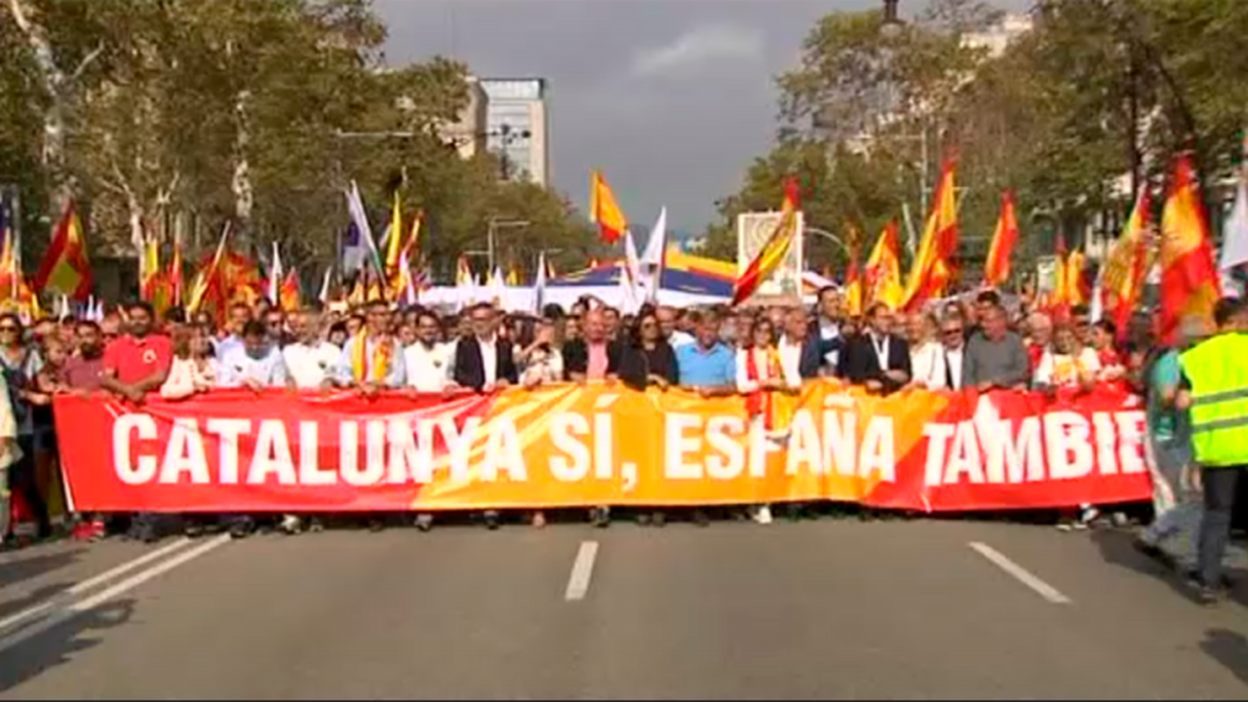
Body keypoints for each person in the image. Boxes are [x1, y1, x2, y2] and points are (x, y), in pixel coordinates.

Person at [1176, 297, 1248, 603]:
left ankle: (1209, 581)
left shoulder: (1195, 358)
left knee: (1217, 515)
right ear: (1237, 321)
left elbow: (1181, 402)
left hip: (1216, 449)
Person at [1135, 315, 1209, 570]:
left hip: (1187, 435)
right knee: (1183, 494)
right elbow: (1168, 397)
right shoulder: (1171, 361)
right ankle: (1172, 546)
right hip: (1165, 437)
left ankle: (1159, 537)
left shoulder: (1195, 362)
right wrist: (1196, 393)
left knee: (1192, 497)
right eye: (1203, 340)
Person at [218, 320, 293, 538]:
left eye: (259, 345)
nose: (255, 349)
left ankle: (269, 513)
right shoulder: (231, 355)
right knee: (239, 468)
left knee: (267, 468)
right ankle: (242, 516)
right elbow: (222, 385)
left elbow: (279, 385)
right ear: (244, 340)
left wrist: (264, 391)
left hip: (266, 419)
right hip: (237, 420)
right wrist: (243, 382)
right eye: (251, 345)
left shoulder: (275, 354)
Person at [452, 303, 517, 530]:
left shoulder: (505, 345)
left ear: (493, 321)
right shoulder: (464, 345)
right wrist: (482, 386)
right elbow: (460, 373)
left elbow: (512, 374)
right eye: (476, 320)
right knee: (475, 457)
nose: (480, 324)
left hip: (499, 408)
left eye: (484, 320)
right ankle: (476, 502)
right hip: (475, 406)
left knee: (497, 457)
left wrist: (505, 382)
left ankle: (494, 505)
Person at [676, 310, 736, 527]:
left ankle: (712, 503)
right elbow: (672, 382)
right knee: (689, 463)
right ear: (697, 329)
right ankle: (690, 505)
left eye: (713, 329)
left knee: (711, 463)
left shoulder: (727, 354)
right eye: (705, 328)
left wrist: (716, 390)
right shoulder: (681, 352)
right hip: (685, 417)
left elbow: (734, 385)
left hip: (715, 418)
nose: (709, 333)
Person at [327, 301, 406, 393]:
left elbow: (399, 376)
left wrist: (377, 384)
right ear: (370, 317)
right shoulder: (352, 343)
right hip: (357, 396)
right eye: (382, 315)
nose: (387, 319)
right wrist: (358, 383)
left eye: (388, 315)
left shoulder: (394, 344)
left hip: (383, 397)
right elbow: (342, 372)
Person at [840, 303, 911, 394]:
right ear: (872, 320)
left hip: (895, 398)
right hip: (865, 399)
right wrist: (888, 374)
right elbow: (857, 375)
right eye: (883, 318)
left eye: (889, 318)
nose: (888, 322)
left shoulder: (900, 344)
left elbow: (905, 376)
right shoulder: (857, 344)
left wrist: (881, 381)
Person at [963, 302, 1030, 391]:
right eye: (982, 320)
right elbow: (968, 375)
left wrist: (994, 382)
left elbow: (1022, 372)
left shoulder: (1015, 341)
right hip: (982, 396)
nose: (983, 324)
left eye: (988, 321)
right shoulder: (974, 341)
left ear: (1001, 321)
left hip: (1009, 394)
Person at [282, 309, 340, 390]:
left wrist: (329, 380)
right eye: (296, 326)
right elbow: (281, 375)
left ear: (315, 327)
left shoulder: (332, 351)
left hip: (321, 400)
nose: (298, 330)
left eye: (303, 326)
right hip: (295, 401)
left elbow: (336, 374)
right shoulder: (288, 351)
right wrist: (288, 379)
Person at [1033, 323, 1100, 392]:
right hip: (1060, 396)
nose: (1065, 342)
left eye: (1069, 337)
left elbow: (1096, 379)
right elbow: (1043, 379)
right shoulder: (1049, 356)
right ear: (1054, 341)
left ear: (1075, 337)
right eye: (1060, 339)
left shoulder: (1088, 352)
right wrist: (1049, 387)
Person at [404, 310, 455, 395]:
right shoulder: (407, 354)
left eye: (432, 327)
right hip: (415, 403)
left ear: (438, 329)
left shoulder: (447, 351)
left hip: (443, 404)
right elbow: (400, 382)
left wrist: (450, 385)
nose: (428, 331)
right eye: (423, 327)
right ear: (416, 330)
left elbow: (452, 377)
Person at [563, 309, 618, 384]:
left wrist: (616, 374)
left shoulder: (615, 347)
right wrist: (570, 375)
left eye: (603, 325)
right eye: (594, 324)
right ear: (584, 326)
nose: (599, 328)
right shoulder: (571, 347)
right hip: (580, 393)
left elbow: (625, 369)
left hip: (608, 392)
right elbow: (562, 369)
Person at [909, 313, 946, 390]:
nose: (913, 328)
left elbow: (940, 381)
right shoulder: (905, 350)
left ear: (925, 326)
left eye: (918, 324)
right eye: (911, 324)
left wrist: (923, 384)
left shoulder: (935, 349)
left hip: (927, 396)